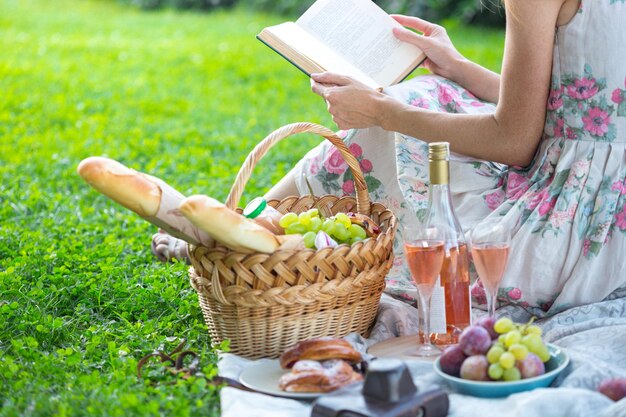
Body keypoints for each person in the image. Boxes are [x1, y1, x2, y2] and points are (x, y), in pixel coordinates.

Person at [154, 0, 626, 317]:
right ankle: (240, 222)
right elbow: (586, 107)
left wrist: (382, 111)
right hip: (612, 220)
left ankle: (233, 229)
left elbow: (514, 140)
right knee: (434, 91)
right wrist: (456, 66)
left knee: (399, 113)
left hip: (572, 231)